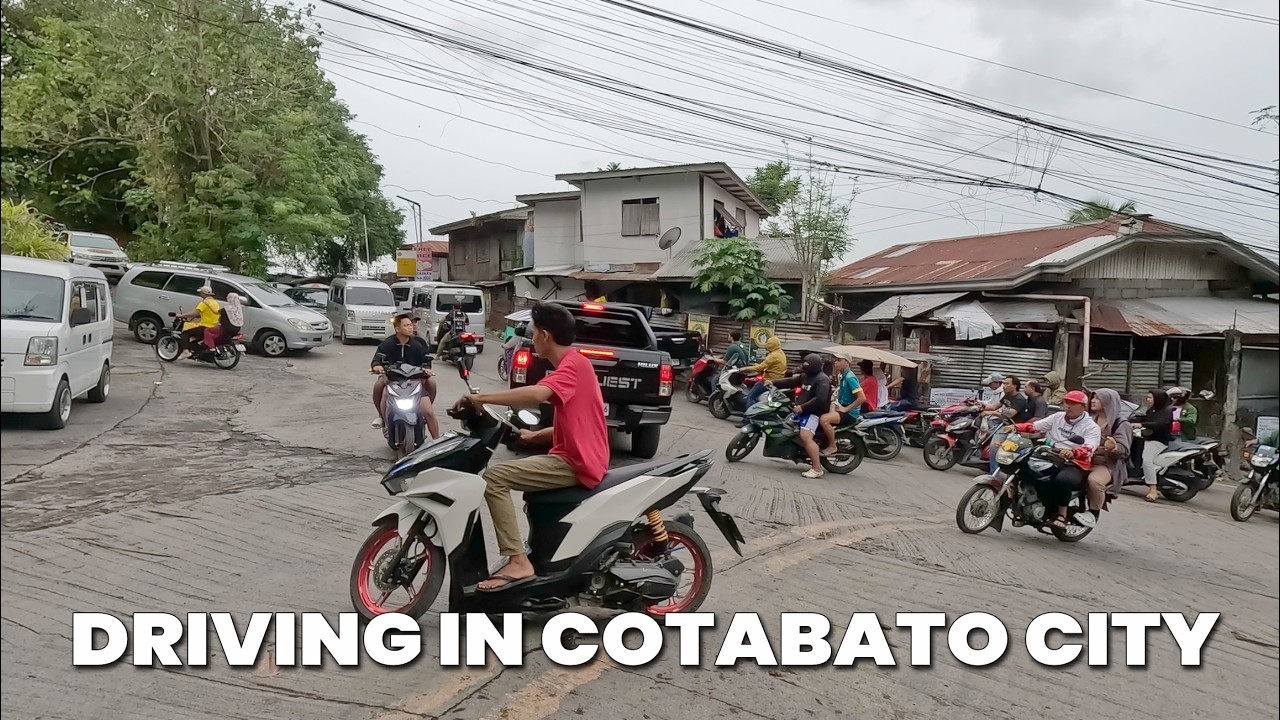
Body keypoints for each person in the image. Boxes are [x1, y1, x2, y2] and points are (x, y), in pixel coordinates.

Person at [455, 302, 609, 591]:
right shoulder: (575, 364)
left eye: (533, 331)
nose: (532, 336)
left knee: (494, 478)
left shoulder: (571, 366)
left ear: (545, 335)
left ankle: (518, 561)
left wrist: (481, 398)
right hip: (577, 455)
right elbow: (581, 420)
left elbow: (537, 394)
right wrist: (534, 436)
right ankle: (532, 554)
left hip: (576, 463)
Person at [1008, 390, 1101, 529]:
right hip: (1051, 454)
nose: (1068, 406)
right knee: (1022, 464)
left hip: (1074, 463)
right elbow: (1035, 426)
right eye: (1066, 402)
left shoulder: (1091, 427)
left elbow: (1089, 448)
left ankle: (1061, 515)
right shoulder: (1058, 417)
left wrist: (1073, 452)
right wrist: (1015, 427)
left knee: (1062, 481)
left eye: (1073, 404)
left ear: (1083, 406)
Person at [372, 314, 439, 440]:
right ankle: (382, 418)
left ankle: (437, 441)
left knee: (429, 410)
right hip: (392, 380)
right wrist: (377, 367)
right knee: (379, 386)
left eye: (411, 324)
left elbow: (426, 360)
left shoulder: (418, 344)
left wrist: (427, 369)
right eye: (407, 325)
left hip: (415, 381)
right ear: (397, 329)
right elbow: (377, 359)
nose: (411, 327)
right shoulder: (387, 344)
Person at [767, 354, 832, 478]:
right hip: (801, 411)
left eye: (808, 365)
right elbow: (790, 381)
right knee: (785, 425)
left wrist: (803, 407)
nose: (805, 367)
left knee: (805, 436)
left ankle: (817, 469)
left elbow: (820, 399)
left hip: (814, 413)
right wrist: (773, 382)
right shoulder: (805, 376)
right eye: (804, 364)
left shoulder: (822, 379)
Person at [1087, 388, 1132, 524]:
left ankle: (1093, 513)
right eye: (1093, 397)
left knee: (1095, 481)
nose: (1093, 401)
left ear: (1108, 402)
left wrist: (1113, 447)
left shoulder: (1121, 424)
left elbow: (1124, 450)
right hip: (1083, 458)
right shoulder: (1089, 419)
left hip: (1106, 464)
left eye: (1098, 398)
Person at [1131, 388, 1174, 503]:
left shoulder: (1166, 412)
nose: (1147, 399)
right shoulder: (1152, 410)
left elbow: (1160, 424)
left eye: (1150, 397)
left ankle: (1153, 489)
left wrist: (1141, 424)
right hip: (1147, 438)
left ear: (1158, 399)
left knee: (1146, 460)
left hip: (1157, 441)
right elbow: (1143, 417)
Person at [820, 354, 866, 456]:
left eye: (839, 360)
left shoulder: (850, 377)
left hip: (850, 413)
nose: (836, 362)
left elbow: (862, 398)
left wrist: (846, 409)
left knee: (824, 419)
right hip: (840, 407)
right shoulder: (841, 376)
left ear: (847, 362)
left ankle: (832, 446)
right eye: (835, 360)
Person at [984, 375, 1031, 474]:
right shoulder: (1007, 395)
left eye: (1007, 383)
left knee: (995, 446)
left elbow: (1009, 414)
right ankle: (992, 470)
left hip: (1014, 429)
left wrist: (993, 413)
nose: (1004, 386)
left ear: (1015, 386)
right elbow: (993, 406)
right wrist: (980, 406)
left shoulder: (1019, 399)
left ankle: (995, 474)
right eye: (1003, 383)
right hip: (1004, 425)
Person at [740, 336, 788, 408]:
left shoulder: (773, 355)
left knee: (750, 396)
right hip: (778, 380)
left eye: (768, 345)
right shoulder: (781, 353)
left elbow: (760, 367)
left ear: (771, 345)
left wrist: (745, 368)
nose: (767, 347)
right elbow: (767, 365)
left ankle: (748, 417)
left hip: (768, 381)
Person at [174, 285, 221, 358]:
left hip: (205, 326)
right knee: (196, 338)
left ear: (203, 293)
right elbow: (207, 314)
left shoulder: (204, 303)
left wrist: (181, 315)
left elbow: (194, 313)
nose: (200, 294)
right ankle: (196, 352)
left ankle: (185, 351)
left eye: (200, 292)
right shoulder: (215, 303)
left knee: (185, 333)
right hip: (214, 326)